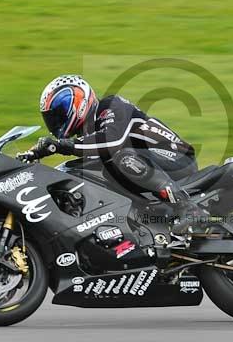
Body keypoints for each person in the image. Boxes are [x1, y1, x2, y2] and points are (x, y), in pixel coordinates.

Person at [18, 75, 209, 232]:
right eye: (52, 118)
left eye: (59, 114)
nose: (56, 122)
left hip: (176, 158)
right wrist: (34, 155)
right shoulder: (88, 137)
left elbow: (112, 142)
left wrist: (61, 146)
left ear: (79, 102)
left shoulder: (111, 106)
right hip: (151, 167)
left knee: (122, 157)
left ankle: (189, 209)